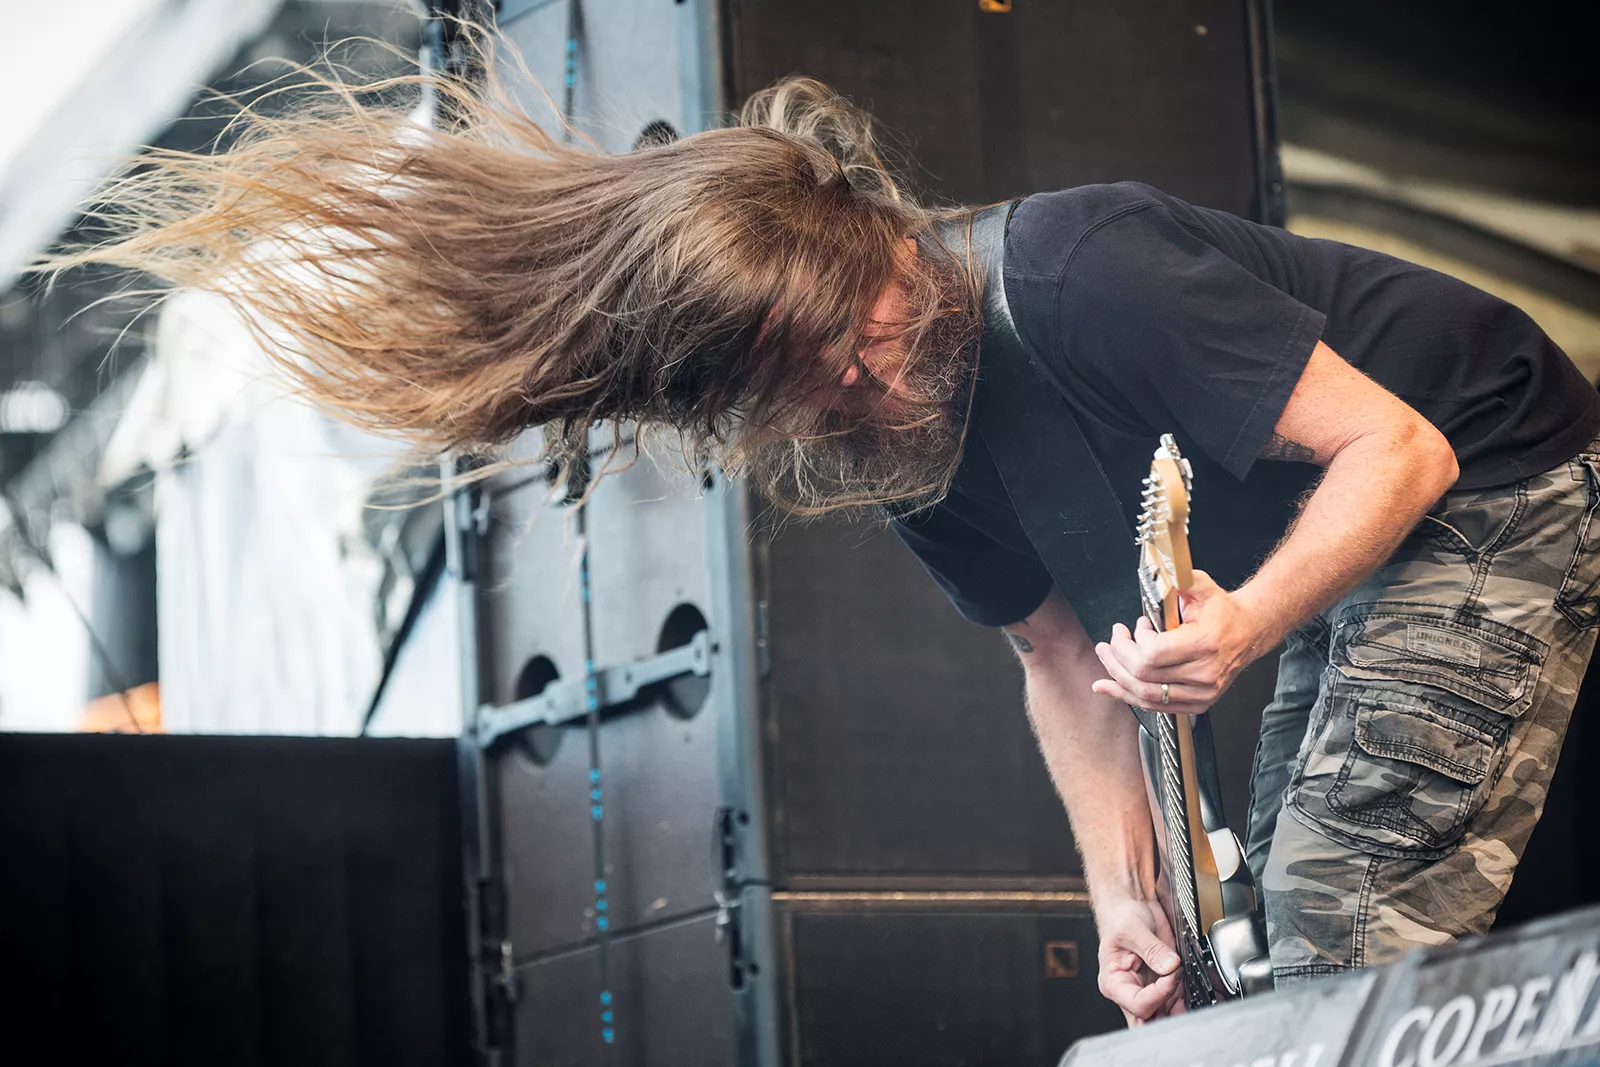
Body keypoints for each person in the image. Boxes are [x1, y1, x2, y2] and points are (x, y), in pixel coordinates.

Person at [53, 54, 1600, 1027]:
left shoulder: (1081, 269)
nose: (871, 376)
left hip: (1495, 471)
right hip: (1365, 532)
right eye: (818, 379)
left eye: (864, 325)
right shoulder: (900, 445)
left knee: (1338, 921)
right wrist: (1122, 891)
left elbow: (1404, 448)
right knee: (1271, 934)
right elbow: (1056, 657)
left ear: (871, 229)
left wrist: (1247, 623)